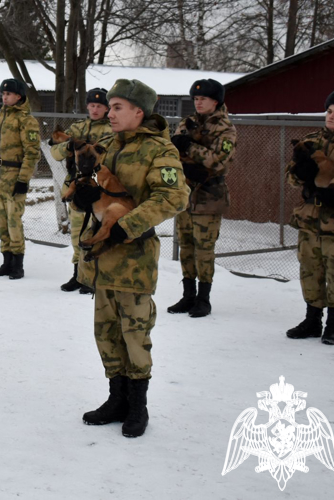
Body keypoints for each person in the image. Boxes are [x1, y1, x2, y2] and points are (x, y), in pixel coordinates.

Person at [79, 79, 189, 438]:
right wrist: (83, 195)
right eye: (109, 107)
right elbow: (93, 184)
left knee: (135, 332)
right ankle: (116, 398)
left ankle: (137, 405)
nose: (109, 114)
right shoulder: (107, 145)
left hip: (134, 259)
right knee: (106, 332)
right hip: (102, 259)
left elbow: (173, 197)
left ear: (139, 112)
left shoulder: (160, 150)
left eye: (117, 108)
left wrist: (128, 225)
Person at [285, 89, 334, 346]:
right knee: (309, 270)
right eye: (329, 112)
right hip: (310, 218)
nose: (331, 117)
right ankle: (312, 321)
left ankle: (333, 326)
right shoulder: (311, 140)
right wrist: (301, 174)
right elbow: (290, 176)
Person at [168, 79, 237, 318]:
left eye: (203, 99)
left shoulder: (225, 128)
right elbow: (172, 151)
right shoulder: (185, 124)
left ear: (215, 101)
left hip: (209, 195)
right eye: (195, 99)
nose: (198, 103)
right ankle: (188, 295)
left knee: (204, 249)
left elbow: (219, 161)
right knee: (185, 245)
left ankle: (203, 299)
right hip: (186, 192)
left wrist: (189, 148)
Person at [50, 88, 113, 294]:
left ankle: (93, 276)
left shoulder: (112, 130)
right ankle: (78, 274)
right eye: (92, 105)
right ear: (87, 106)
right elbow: (55, 152)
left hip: (100, 188)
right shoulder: (77, 128)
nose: (95, 109)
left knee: (96, 232)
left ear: (107, 108)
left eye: (100, 106)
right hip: (76, 186)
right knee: (77, 232)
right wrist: (68, 147)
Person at [0, 78, 41, 280]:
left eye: (8, 94)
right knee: (1, 223)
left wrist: (23, 179)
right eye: (3, 93)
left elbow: (32, 152)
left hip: (14, 177)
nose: (5, 97)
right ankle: (6, 262)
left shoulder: (27, 120)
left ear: (19, 96)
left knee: (13, 222)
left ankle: (18, 264)